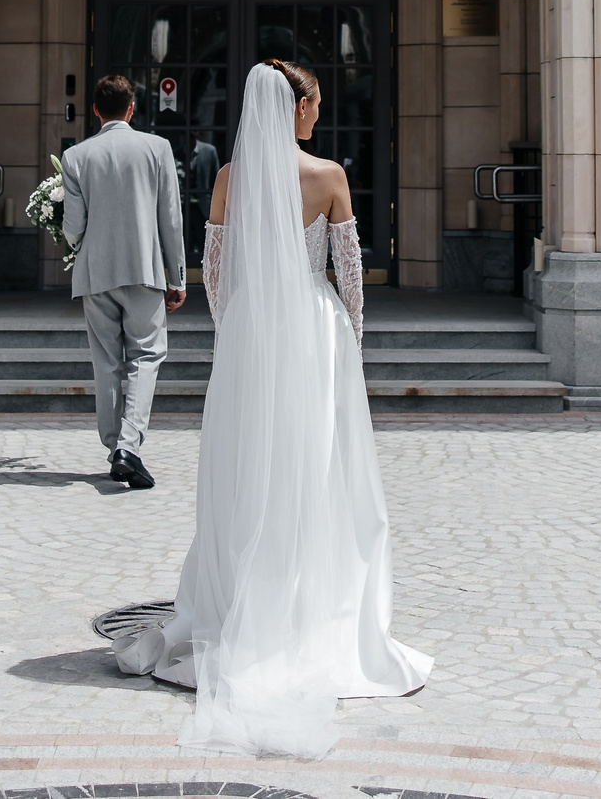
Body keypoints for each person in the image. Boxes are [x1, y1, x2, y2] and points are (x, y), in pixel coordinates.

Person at [112, 59, 430, 757]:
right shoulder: (328, 175)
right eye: (313, 102)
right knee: (317, 464)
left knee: (248, 463)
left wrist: (237, 333)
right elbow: (350, 273)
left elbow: (216, 268)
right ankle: (312, 603)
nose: (317, 112)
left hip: (252, 330)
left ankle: (241, 597)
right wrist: (351, 342)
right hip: (315, 330)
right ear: (297, 106)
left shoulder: (230, 177)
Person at [58, 72, 187, 490]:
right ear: (132, 108)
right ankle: (128, 447)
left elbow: (73, 226)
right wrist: (177, 276)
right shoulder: (157, 148)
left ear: (95, 109)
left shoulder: (76, 156)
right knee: (147, 355)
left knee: (107, 361)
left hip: (95, 272)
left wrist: (74, 242)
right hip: (144, 268)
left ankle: (116, 446)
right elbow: (171, 219)